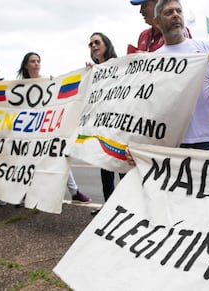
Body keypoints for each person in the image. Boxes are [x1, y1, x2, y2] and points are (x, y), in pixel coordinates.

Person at [18, 52, 91, 204]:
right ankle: (24, 192)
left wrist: (87, 72)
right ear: (26, 65)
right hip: (29, 131)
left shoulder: (49, 81)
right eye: (32, 61)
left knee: (59, 157)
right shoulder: (20, 87)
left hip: (48, 129)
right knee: (27, 162)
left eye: (38, 61)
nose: (36, 64)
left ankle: (74, 191)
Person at [154, 0, 209, 150]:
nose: (176, 15)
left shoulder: (205, 48)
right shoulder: (154, 60)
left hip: (205, 137)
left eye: (178, 11)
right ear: (157, 22)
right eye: (169, 12)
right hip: (172, 139)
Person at [88, 32, 125, 215]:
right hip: (103, 127)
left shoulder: (120, 65)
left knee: (122, 169)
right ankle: (108, 207)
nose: (93, 46)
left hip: (119, 125)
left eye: (97, 42)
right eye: (91, 44)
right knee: (105, 168)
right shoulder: (93, 71)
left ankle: (128, 207)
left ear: (106, 44)